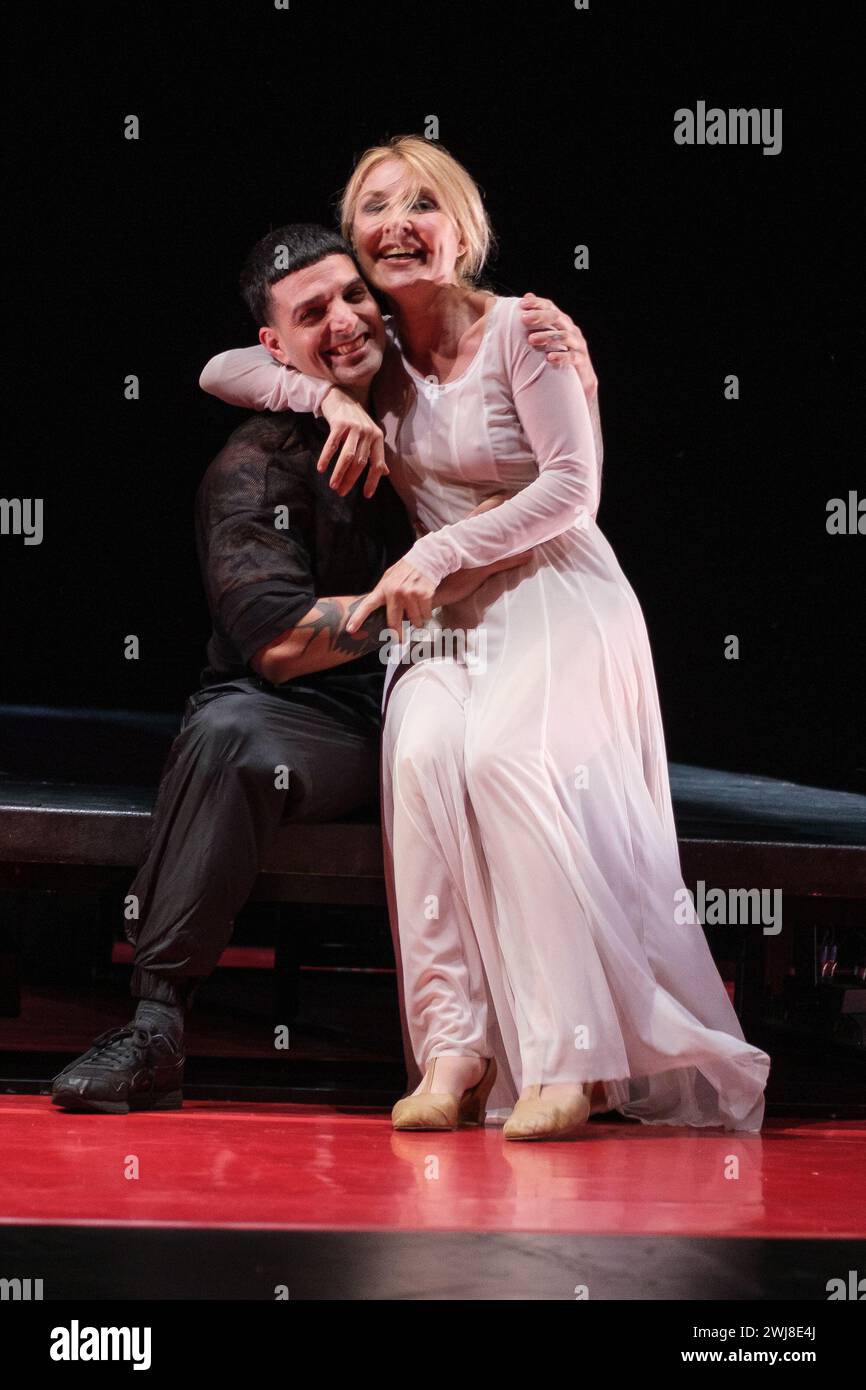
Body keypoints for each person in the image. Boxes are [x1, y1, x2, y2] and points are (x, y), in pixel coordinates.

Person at [199, 136, 772, 1138]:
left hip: (554, 594)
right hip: (447, 615)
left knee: (505, 761)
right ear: (357, 239)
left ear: (462, 231)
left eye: (422, 202)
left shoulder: (526, 330)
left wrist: (441, 548)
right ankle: (453, 1050)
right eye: (375, 207)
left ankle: (565, 1059)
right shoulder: (374, 361)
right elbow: (225, 368)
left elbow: (572, 489)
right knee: (419, 761)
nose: (398, 222)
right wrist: (328, 393)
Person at [51, 222, 582, 1113]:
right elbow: (284, 644)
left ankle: (558, 1051)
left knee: (515, 752)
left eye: (352, 296)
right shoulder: (254, 468)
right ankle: (155, 1026)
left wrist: (561, 353)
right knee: (231, 738)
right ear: (279, 348)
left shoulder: (422, 392)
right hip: (315, 711)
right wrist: (432, 588)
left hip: (453, 674)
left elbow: (548, 446)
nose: (342, 320)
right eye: (311, 314)